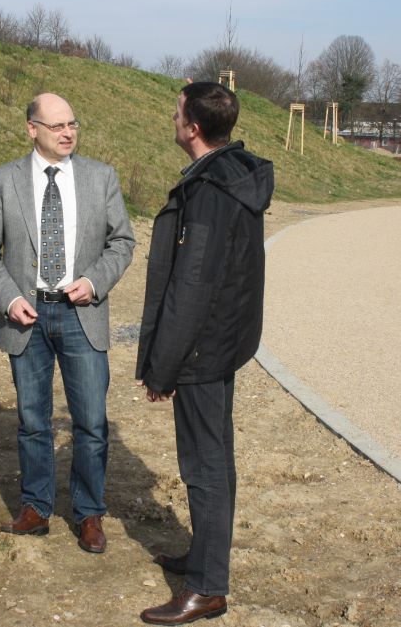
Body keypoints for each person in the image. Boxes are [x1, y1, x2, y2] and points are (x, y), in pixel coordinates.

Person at [0, 93, 134, 553]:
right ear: (31, 129)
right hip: (28, 317)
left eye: (73, 124)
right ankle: (36, 508)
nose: (68, 133)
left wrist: (94, 281)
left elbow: (122, 241)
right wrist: (9, 299)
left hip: (82, 314)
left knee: (91, 422)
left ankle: (88, 513)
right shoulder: (3, 180)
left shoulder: (101, 177)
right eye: (57, 125)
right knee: (32, 421)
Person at [135, 82, 273, 625]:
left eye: (176, 113)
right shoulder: (230, 176)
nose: (173, 120)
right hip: (217, 343)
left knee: (205, 466)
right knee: (213, 460)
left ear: (192, 127)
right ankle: (205, 555)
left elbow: (192, 287)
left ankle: (209, 587)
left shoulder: (213, 192)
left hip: (200, 350)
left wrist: (162, 367)